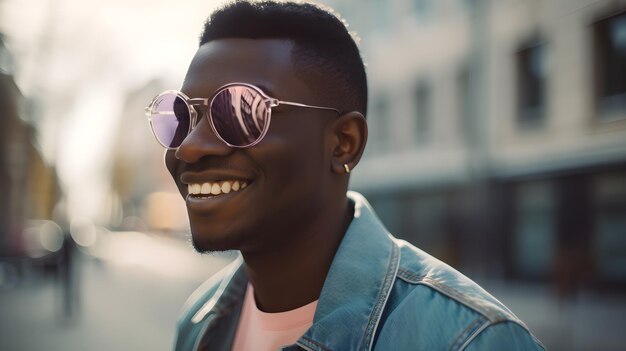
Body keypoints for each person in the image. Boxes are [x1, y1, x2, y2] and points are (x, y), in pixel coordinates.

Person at [145, 1, 546, 350]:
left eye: (238, 111)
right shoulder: (200, 320)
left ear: (343, 143)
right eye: (182, 117)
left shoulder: (471, 340)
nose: (189, 148)